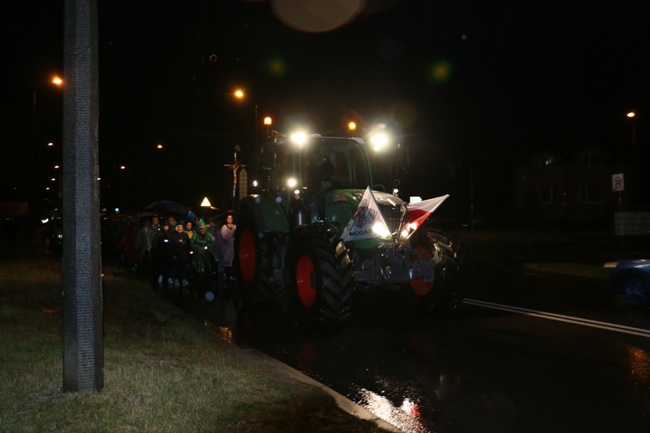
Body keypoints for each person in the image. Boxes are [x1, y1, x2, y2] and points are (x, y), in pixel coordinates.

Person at [191, 219, 215, 290]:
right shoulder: (195, 235)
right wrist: (199, 248)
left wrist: (206, 248)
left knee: (208, 267)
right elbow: (192, 244)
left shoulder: (209, 235)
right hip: (198, 254)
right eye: (200, 229)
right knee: (199, 267)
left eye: (203, 229)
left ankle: (209, 282)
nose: (202, 230)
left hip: (207, 254)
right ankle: (200, 282)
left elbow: (211, 243)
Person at [168, 223, 191, 288]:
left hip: (184, 255)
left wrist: (189, 253)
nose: (180, 228)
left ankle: (184, 279)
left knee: (184, 268)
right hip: (176, 254)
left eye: (181, 227)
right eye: (178, 227)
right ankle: (176, 279)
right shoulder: (173, 235)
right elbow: (170, 246)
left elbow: (188, 245)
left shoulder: (185, 235)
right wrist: (173, 254)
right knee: (176, 267)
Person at [218, 214, 236, 279]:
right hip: (226, 248)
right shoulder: (224, 227)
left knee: (233, 261)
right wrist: (232, 232)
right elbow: (224, 236)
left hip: (233, 247)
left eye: (231, 218)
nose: (230, 219)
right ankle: (226, 274)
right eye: (228, 218)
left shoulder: (235, 226)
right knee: (226, 261)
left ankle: (232, 275)